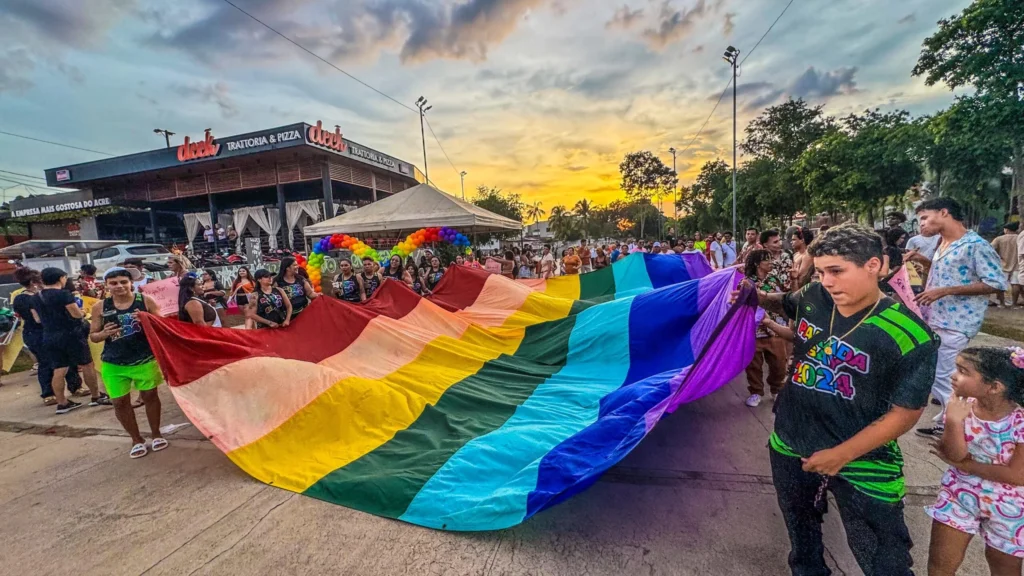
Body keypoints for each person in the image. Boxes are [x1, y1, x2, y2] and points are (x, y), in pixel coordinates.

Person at [748, 223, 939, 576]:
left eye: (837, 271)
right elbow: (784, 303)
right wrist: (753, 295)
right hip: (791, 442)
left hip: (865, 461)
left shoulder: (911, 336)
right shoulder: (813, 296)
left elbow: (906, 412)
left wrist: (841, 455)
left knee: (883, 559)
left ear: (875, 265)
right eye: (820, 272)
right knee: (802, 538)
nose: (828, 281)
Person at [913, 198, 1007, 439]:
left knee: (944, 375)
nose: (921, 224)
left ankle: (959, 425)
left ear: (944, 213)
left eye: (925, 217)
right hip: (936, 318)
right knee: (937, 372)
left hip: (957, 322)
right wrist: (923, 266)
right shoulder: (941, 244)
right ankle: (949, 418)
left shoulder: (975, 245)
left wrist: (945, 290)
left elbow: (995, 283)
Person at [926, 346, 1024, 575]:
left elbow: (1017, 475)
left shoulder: (1019, 421)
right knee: (940, 564)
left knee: (1005, 568)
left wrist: (966, 466)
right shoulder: (961, 406)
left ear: (994, 387)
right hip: (959, 493)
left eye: (963, 371)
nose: (953, 375)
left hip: (1010, 504)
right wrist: (953, 420)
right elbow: (955, 455)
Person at [89, 268, 166, 459]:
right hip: (114, 363)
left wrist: (146, 318)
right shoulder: (100, 307)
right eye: (114, 283)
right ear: (106, 285)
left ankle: (156, 434)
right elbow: (93, 336)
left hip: (145, 360)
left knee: (150, 397)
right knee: (120, 402)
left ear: (131, 283)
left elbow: (162, 325)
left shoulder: (144, 301)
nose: (119, 286)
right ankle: (136, 439)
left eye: (123, 282)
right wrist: (104, 334)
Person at [33, 267, 110, 414]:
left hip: (49, 335)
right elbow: (75, 314)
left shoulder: (36, 297)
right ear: (61, 278)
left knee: (59, 368)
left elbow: (37, 319)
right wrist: (83, 312)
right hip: (71, 334)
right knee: (87, 364)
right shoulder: (63, 294)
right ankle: (96, 396)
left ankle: (62, 403)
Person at [13, 268, 82, 405]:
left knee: (49, 363)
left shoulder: (20, 298)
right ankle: (61, 390)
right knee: (55, 362)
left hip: (32, 333)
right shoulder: (35, 298)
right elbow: (37, 319)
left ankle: (52, 394)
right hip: (43, 332)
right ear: (34, 282)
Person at [743, 249, 790, 408]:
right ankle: (755, 392)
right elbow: (737, 303)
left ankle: (776, 390)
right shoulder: (746, 281)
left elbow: (788, 296)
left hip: (775, 329)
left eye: (771, 259)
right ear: (757, 264)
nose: (771, 262)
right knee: (753, 365)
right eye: (767, 260)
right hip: (753, 331)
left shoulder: (775, 279)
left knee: (779, 365)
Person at [990, 222, 1019, 308]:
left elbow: (990, 249)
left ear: (1006, 230)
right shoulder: (1020, 238)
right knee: (1015, 284)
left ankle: (1002, 303)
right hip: (1018, 265)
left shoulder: (999, 239)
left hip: (1002, 265)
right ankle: (1014, 304)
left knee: (1000, 284)